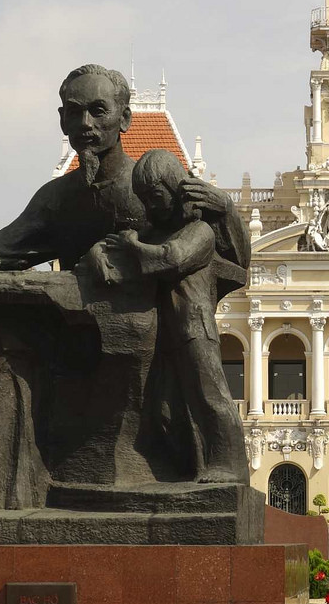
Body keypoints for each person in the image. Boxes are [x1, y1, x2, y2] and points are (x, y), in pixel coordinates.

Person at [0, 64, 249, 513]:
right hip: (74, 327)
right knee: (7, 321)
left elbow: (222, 251)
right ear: (62, 119)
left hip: (147, 331)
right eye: (74, 113)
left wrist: (215, 216)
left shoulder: (150, 183)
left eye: (98, 112)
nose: (86, 125)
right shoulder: (58, 197)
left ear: (124, 120)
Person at [97, 149, 249, 485]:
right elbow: (116, 249)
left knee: (210, 395)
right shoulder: (157, 233)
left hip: (194, 328)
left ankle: (230, 465)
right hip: (165, 331)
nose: (150, 207)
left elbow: (171, 258)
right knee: (167, 407)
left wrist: (132, 245)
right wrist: (102, 252)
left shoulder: (200, 232)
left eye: (155, 197)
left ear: (175, 189)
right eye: (145, 200)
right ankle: (191, 464)